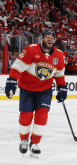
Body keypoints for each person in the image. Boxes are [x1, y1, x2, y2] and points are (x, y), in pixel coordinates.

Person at [4, 28, 67, 158]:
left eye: (52, 37)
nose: (50, 39)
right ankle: (24, 140)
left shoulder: (59, 55)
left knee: (42, 116)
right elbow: (17, 66)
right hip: (27, 89)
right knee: (26, 117)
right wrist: (11, 81)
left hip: (45, 90)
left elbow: (60, 74)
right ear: (41, 39)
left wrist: (62, 87)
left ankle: (35, 143)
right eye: (47, 36)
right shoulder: (31, 50)